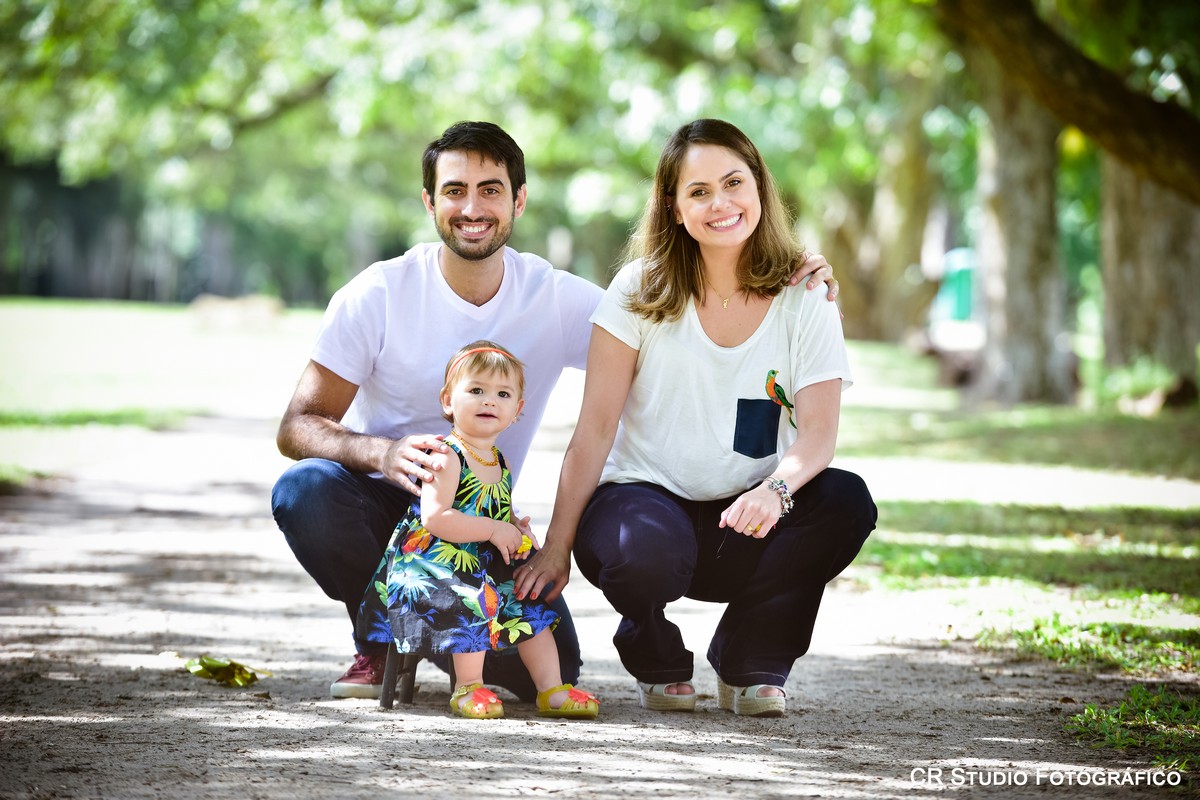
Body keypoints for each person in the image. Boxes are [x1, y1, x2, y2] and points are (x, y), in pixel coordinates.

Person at [271, 120, 840, 702]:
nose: (472, 208)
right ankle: (381, 643)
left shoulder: (556, 298)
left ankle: (433, 636)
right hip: (381, 503)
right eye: (454, 191)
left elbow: (668, 336)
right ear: (429, 201)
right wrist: (382, 453)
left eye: (491, 190)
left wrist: (791, 277)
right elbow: (297, 426)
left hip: (481, 528)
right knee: (305, 490)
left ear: (519, 200)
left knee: (551, 667)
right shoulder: (377, 295)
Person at [516, 119, 877, 718]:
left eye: (733, 183)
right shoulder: (638, 290)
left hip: (752, 516)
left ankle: (750, 660)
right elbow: (595, 432)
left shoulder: (807, 295)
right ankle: (654, 654)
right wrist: (556, 547)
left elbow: (818, 436)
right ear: (674, 207)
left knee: (845, 501)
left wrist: (775, 491)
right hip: (646, 507)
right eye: (699, 191)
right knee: (639, 549)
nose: (721, 204)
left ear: (759, 186)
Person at [356, 341, 599, 719]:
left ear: (517, 410)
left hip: (482, 558)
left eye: (503, 394)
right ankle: (468, 686)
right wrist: (493, 529)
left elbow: (497, 509)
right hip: (436, 563)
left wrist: (515, 526)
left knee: (529, 601)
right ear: (448, 400)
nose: (489, 401)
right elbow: (435, 517)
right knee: (472, 597)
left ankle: (551, 688)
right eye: (476, 390)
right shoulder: (446, 455)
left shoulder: (499, 460)